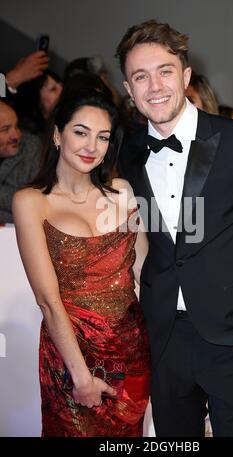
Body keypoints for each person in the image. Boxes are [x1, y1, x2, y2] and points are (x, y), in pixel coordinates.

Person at [115, 19, 233, 437]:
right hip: (164, 341)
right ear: (128, 89)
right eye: (140, 76)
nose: (154, 86)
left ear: (184, 76)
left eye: (164, 71)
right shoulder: (127, 152)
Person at [12, 87, 150, 437]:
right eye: (81, 132)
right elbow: (47, 300)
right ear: (58, 134)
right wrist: (80, 376)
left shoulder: (124, 192)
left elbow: (145, 275)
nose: (92, 146)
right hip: (71, 357)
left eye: (102, 137)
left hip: (130, 352)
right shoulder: (31, 201)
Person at [0, 100, 41, 224]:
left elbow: (35, 204)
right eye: (5, 129)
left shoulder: (31, 149)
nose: (16, 136)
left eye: (16, 126)